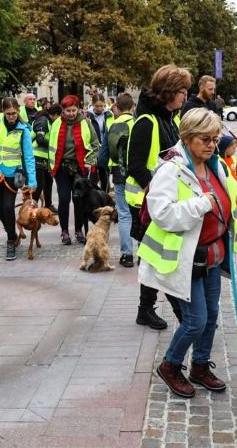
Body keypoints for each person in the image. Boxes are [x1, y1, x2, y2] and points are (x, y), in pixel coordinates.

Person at [139, 108, 237, 398]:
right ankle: (170, 365)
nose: (211, 145)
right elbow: (162, 214)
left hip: (212, 256)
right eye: (204, 139)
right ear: (187, 137)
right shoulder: (171, 168)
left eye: (215, 139)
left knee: (211, 316)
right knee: (195, 320)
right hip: (185, 259)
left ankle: (199, 366)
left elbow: (226, 201)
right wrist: (201, 205)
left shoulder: (215, 165)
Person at [126, 64, 190, 330]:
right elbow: (136, 166)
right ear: (167, 92)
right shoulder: (146, 122)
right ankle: (177, 314)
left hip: (159, 200)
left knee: (154, 255)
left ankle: (147, 309)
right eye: (181, 91)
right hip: (145, 201)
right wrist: (158, 192)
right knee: (158, 254)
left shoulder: (169, 118)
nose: (185, 96)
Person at [0, 98, 37, 260]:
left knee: (7, 207)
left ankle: (10, 241)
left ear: (18, 112)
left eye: (14, 113)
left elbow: (29, 157)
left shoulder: (24, 131)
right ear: (3, 112)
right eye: (8, 114)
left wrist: (32, 181)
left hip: (13, 175)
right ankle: (12, 233)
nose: (11, 117)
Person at [48, 94, 100, 245]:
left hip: (80, 167)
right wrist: (51, 166)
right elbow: (52, 146)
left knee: (78, 200)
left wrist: (89, 161)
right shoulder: (57, 124)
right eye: (68, 111)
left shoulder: (85, 123)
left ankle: (79, 230)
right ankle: (64, 232)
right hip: (62, 167)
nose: (71, 113)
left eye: (73, 110)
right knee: (64, 199)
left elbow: (95, 144)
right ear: (63, 111)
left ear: (78, 109)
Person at [107, 93, 136, 268]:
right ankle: (144, 254)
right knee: (140, 213)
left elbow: (106, 150)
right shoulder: (137, 124)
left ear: (117, 107)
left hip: (118, 172)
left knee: (124, 214)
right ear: (132, 107)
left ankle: (127, 255)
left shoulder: (113, 125)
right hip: (136, 172)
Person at [32, 105, 61, 213]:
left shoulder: (51, 122)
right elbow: (40, 139)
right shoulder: (43, 120)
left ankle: (48, 206)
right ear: (55, 114)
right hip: (37, 156)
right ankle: (32, 208)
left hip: (46, 158)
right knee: (39, 185)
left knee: (48, 182)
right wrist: (56, 145)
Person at [88, 93, 114, 191]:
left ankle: (105, 196)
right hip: (93, 149)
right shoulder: (88, 116)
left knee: (104, 176)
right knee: (93, 177)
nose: (99, 108)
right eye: (97, 106)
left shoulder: (109, 115)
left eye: (101, 106)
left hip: (105, 149)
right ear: (93, 105)